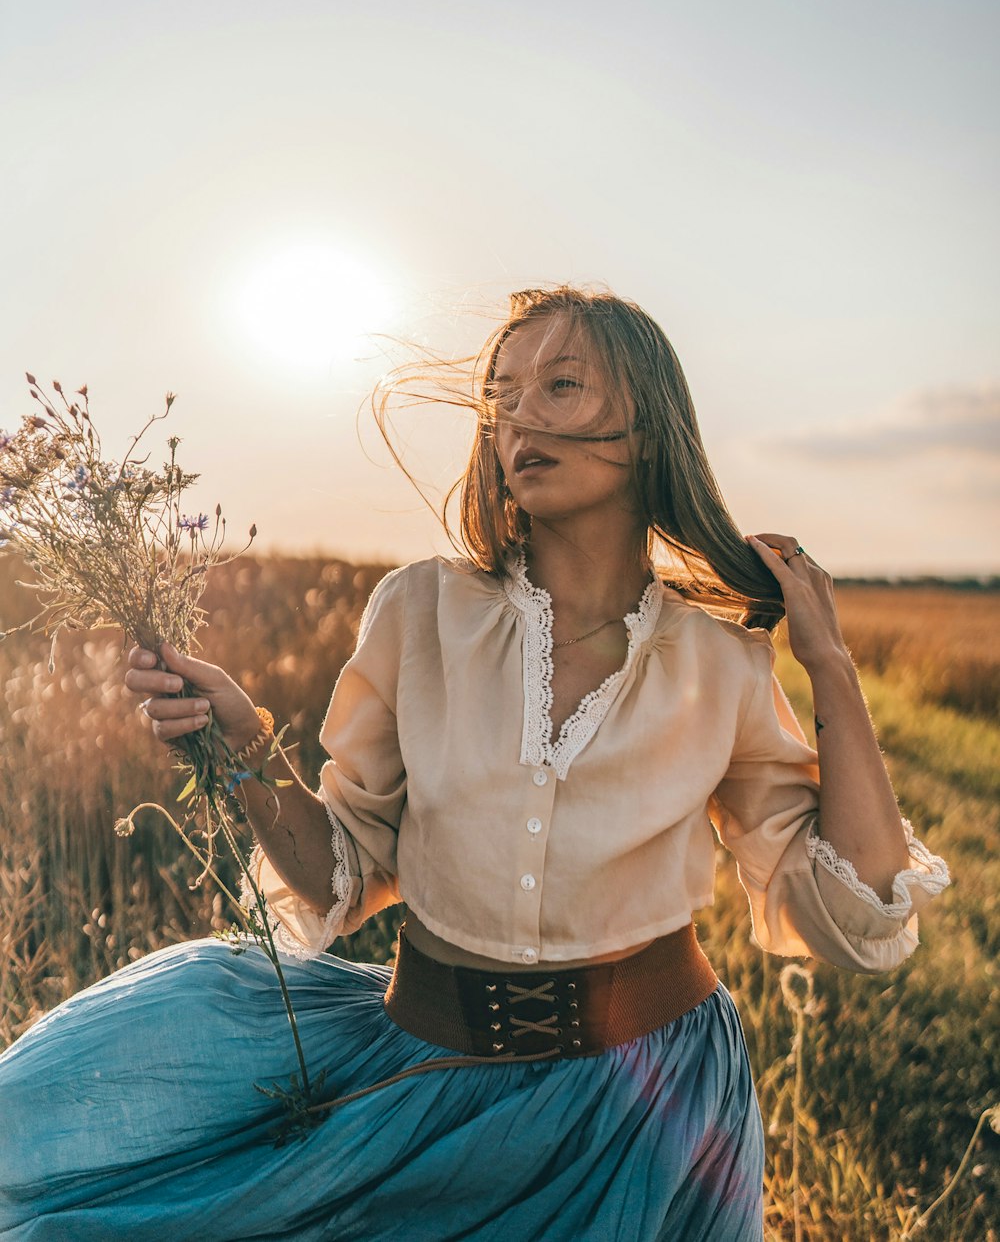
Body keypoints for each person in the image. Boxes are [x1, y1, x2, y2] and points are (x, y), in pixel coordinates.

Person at [0, 285, 951, 1241]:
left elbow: (854, 909)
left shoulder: (721, 661)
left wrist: (828, 663)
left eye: (562, 385)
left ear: (650, 427)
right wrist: (243, 744)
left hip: (654, 1114)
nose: (520, 415)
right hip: (434, 1081)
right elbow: (343, 870)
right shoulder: (420, 613)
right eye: (502, 396)